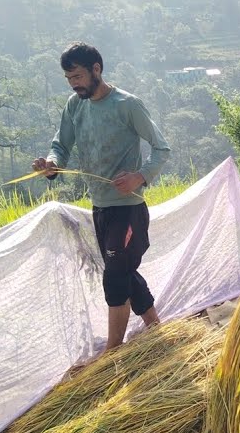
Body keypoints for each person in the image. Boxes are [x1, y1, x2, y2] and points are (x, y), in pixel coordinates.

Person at [32, 42, 171, 355]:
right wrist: (52, 164)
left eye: (78, 76)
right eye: (69, 79)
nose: (74, 84)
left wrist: (140, 176)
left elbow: (162, 148)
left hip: (128, 210)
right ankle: (157, 329)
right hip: (101, 208)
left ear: (97, 69)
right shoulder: (75, 105)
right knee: (122, 271)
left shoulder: (127, 105)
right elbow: (61, 145)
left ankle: (112, 354)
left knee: (115, 276)